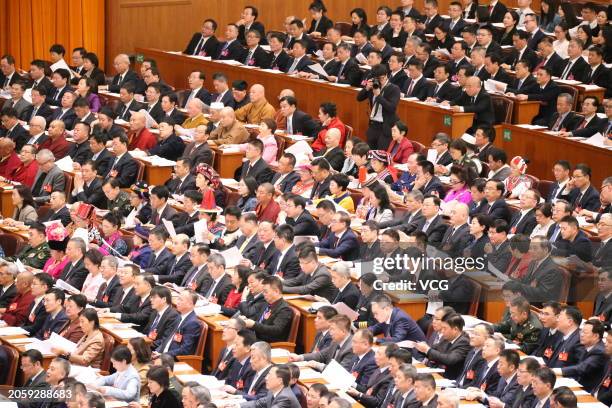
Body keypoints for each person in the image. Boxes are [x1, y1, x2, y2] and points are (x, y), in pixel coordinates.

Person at [357, 64, 400, 150]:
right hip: (373, 125)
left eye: (381, 78)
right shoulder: (373, 86)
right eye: (377, 79)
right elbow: (359, 98)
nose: (379, 81)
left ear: (386, 75)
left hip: (385, 127)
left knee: (380, 155)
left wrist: (378, 96)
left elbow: (391, 108)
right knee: (369, 154)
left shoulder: (393, 89)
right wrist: (366, 88)